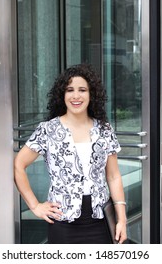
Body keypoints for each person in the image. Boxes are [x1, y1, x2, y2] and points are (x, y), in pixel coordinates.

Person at [14, 63, 127, 244]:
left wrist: (121, 219)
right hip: (62, 221)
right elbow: (19, 164)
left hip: (100, 220)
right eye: (69, 90)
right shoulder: (48, 130)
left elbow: (113, 176)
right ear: (62, 95)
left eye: (82, 90)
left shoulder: (104, 130)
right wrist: (35, 206)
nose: (76, 96)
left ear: (91, 95)